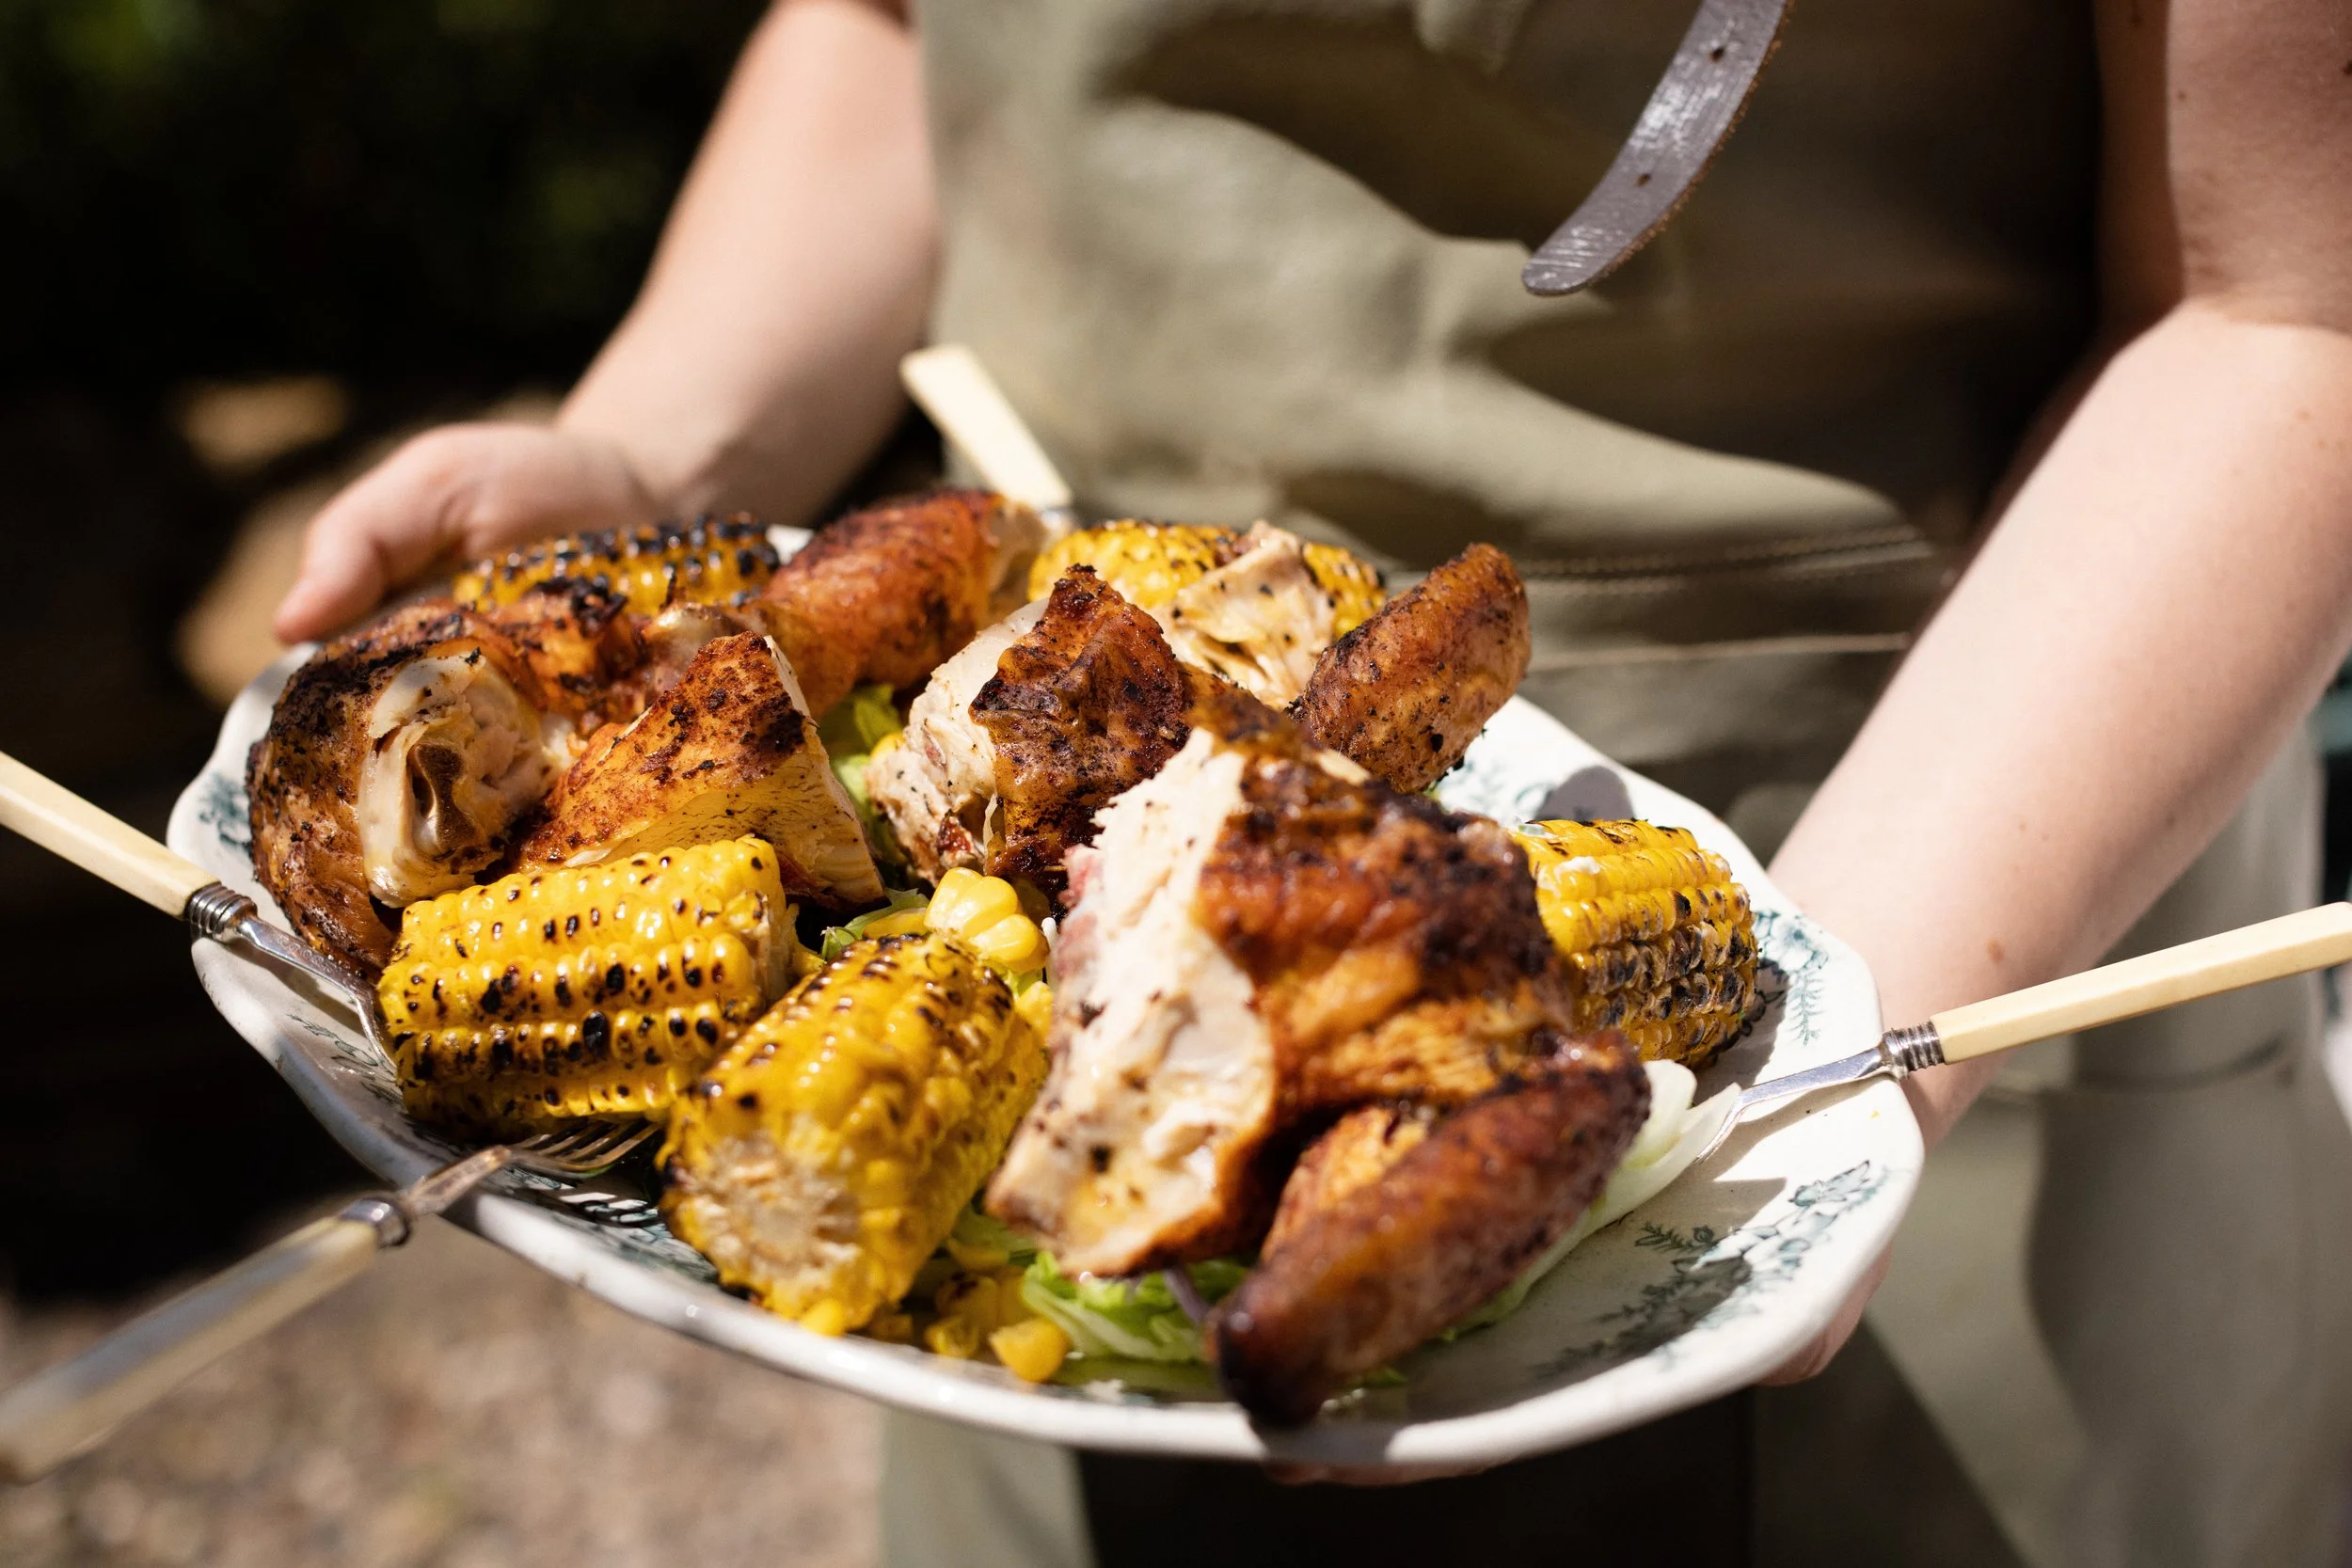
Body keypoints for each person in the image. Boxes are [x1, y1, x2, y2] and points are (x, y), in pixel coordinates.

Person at [274, 1, 2352, 1562]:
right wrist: (655, 457)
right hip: (1019, 1012)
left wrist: (1820, 1069)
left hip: (1919, 898)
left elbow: (2290, 298)